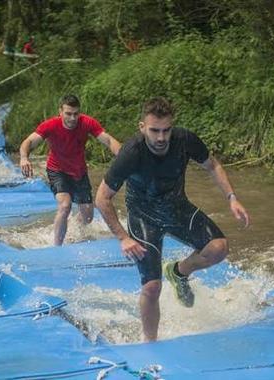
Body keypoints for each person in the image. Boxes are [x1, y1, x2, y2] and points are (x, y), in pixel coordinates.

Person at [95, 97, 250, 342]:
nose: (161, 138)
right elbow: (102, 197)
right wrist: (123, 238)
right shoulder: (131, 153)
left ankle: (179, 272)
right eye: (154, 130)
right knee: (151, 286)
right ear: (142, 127)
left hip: (177, 208)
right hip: (144, 216)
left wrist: (232, 197)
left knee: (219, 248)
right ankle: (150, 343)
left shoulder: (185, 140)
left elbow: (213, 165)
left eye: (166, 130)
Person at [19, 94, 121, 246]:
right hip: (57, 169)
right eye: (68, 114)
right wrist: (23, 158)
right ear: (60, 112)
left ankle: (71, 227)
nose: (73, 118)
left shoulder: (87, 123)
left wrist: (123, 158)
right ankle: (57, 247)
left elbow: (109, 140)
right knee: (65, 205)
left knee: (87, 216)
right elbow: (28, 142)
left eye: (76, 114)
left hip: (79, 172)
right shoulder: (50, 125)